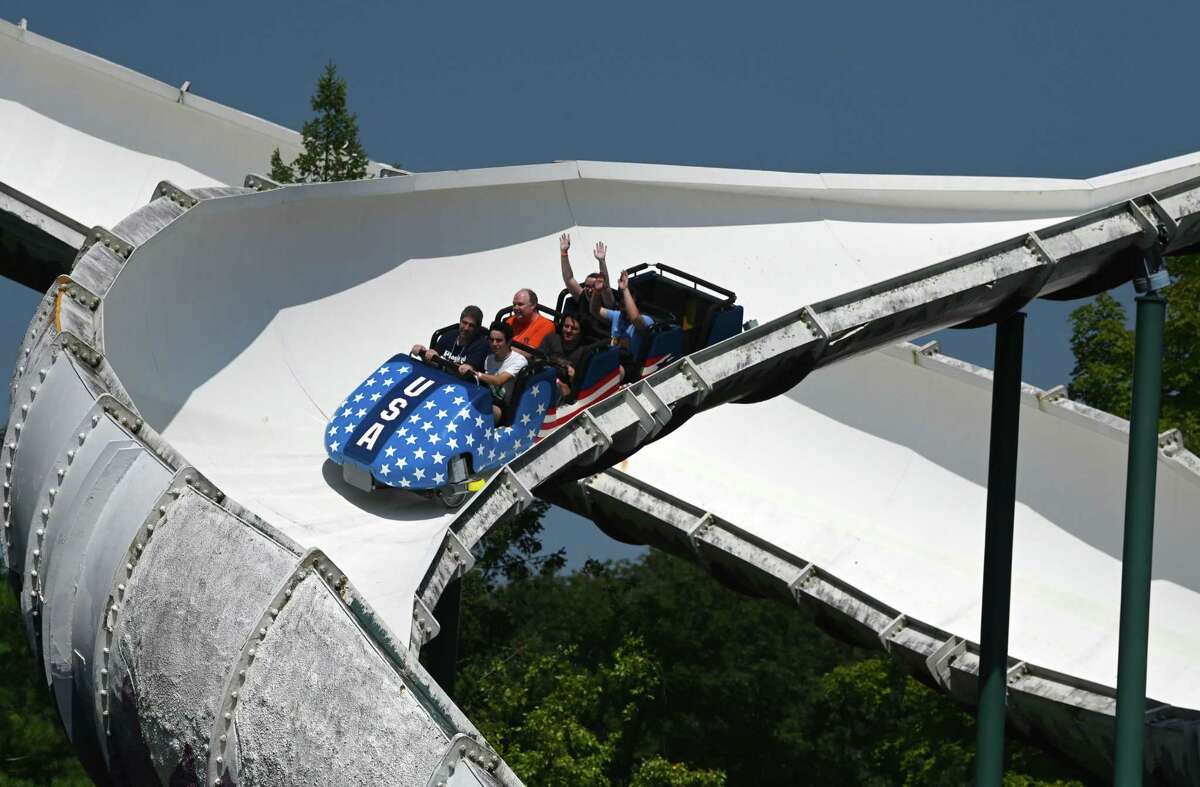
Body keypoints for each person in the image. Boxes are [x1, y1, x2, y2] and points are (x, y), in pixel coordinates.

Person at [459, 321, 528, 423]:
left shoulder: (519, 361)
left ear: (508, 342)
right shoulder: (489, 359)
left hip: (506, 407)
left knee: (485, 411)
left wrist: (475, 373)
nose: (494, 344)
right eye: (491, 340)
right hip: (488, 398)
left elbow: (499, 380)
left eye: (499, 340)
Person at [559, 233, 615, 341]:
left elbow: (606, 287)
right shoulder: (582, 296)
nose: (589, 290)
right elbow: (569, 278)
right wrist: (564, 253)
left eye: (593, 287)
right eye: (586, 286)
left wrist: (601, 261)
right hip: (581, 337)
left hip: (600, 341)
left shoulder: (606, 301)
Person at [592, 269, 655, 360]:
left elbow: (635, 318)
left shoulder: (646, 320)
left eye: (627, 304)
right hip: (612, 360)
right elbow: (595, 310)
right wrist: (597, 292)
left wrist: (625, 289)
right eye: (622, 304)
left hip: (630, 365)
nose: (624, 307)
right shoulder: (617, 315)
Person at [411, 305, 487, 369]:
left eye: (471, 325)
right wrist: (423, 353)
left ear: (477, 328)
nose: (466, 328)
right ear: (460, 322)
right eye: (464, 323)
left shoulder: (481, 345)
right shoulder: (448, 336)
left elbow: (466, 376)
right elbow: (434, 364)